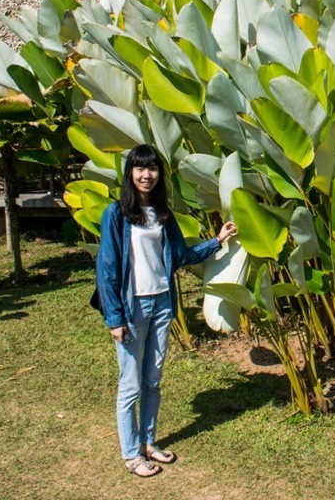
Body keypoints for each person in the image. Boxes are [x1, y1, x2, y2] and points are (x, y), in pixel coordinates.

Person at [95, 144, 237, 478]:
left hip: (161, 304)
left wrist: (217, 241)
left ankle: (148, 442)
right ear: (130, 173)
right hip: (132, 307)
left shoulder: (163, 214)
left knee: (153, 379)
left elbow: (180, 255)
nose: (147, 175)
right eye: (140, 168)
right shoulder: (115, 214)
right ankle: (131, 455)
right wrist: (114, 318)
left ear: (160, 174)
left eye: (153, 169)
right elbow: (108, 269)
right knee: (130, 384)